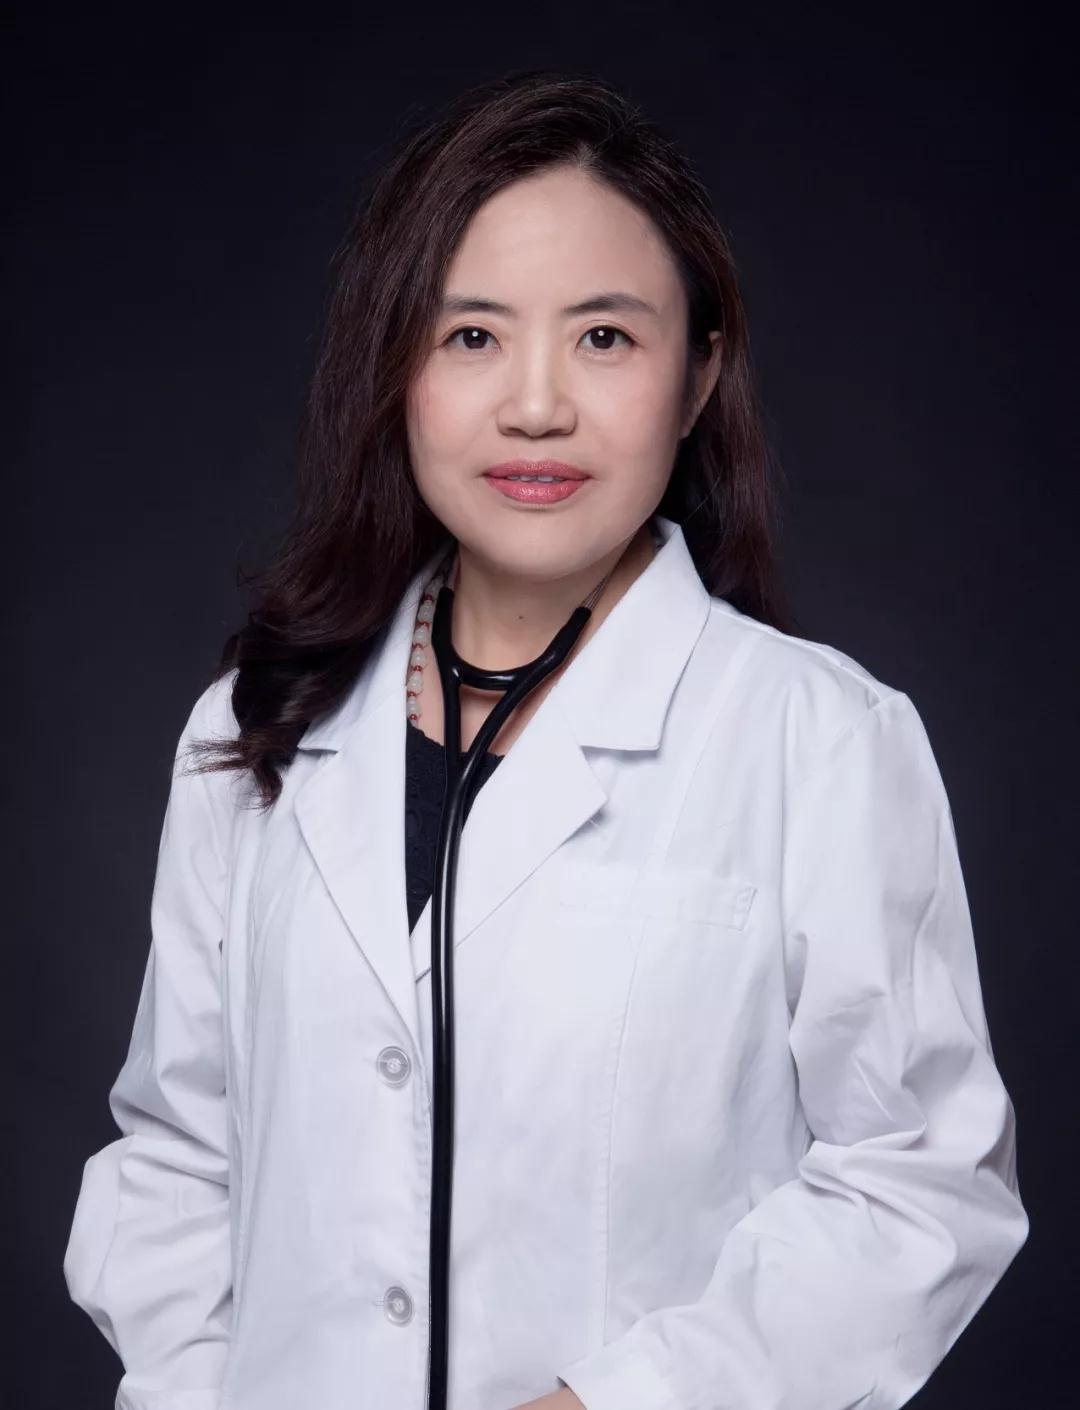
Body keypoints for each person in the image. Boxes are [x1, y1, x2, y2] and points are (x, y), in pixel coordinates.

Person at [63, 69, 1029, 1410]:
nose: (534, 406)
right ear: (396, 367)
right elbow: (178, 1160)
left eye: (604, 338)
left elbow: (920, 1184)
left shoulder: (818, 741)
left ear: (697, 376)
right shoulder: (253, 730)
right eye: (471, 335)